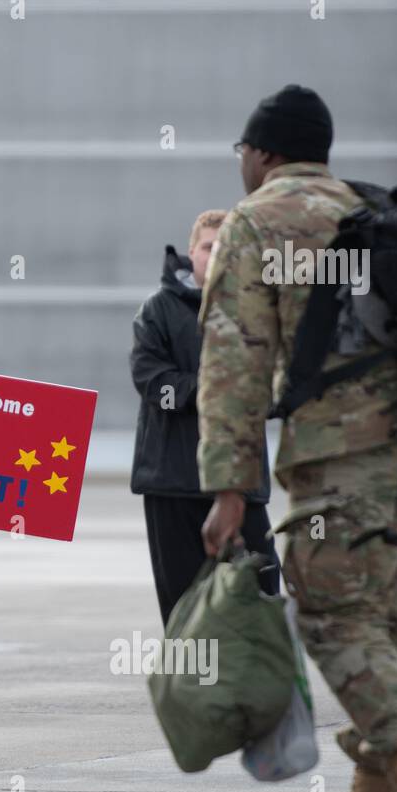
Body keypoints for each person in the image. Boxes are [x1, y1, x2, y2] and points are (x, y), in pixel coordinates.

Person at [198, 84, 397, 792]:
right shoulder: (372, 209)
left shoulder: (258, 221)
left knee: (331, 613)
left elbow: (233, 363)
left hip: (356, 444)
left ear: (262, 154)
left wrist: (230, 487)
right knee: (392, 613)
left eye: (244, 152)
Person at [130, 210, 278, 625]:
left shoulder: (257, 308)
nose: (217, 256)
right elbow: (152, 380)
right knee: (183, 609)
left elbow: (276, 386)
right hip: (171, 482)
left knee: (264, 591)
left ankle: (257, 688)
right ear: (191, 251)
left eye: (226, 248)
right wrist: (219, 390)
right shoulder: (157, 311)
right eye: (209, 247)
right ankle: (193, 688)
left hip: (241, 478)